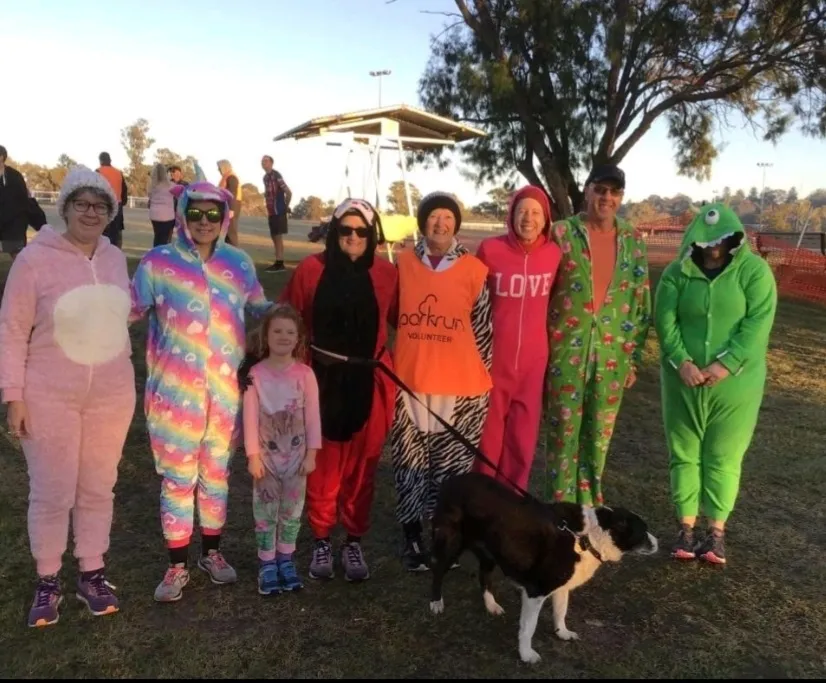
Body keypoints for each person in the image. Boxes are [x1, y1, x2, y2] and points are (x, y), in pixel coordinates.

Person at [0, 165, 136, 627]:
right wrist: (13, 395)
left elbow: (122, 316)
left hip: (111, 396)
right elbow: (12, 330)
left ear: (110, 211)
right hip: (48, 394)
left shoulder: (116, 259)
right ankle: (47, 579)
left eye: (100, 206)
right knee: (54, 490)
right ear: (65, 208)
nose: (91, 213)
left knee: (98, 486)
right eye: (82, 204)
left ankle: (92, 572)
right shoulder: (35, 259)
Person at [130, 180, 273, 603]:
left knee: (216, 476)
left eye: (214, 214)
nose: (205, 221)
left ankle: (212, 553)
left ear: (225, 217)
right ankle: (176, 565)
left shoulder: (239, 264)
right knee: (177, 480)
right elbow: (128, 311)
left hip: (226, 395)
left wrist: (296, 321)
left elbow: (262, 309)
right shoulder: (157, 263)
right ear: (183, 214)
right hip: (174, 397)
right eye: (197, 213)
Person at [280, 198, 397, 582]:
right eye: (345, 230)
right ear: (334, 232)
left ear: (372, 234)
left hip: (369, 382)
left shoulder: (387, 274)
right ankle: (322, 539)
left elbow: (404, 320)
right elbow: (286, 319)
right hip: (322, 381)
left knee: (362, 467)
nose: (353, 237)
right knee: (324, 465)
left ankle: (354, 540)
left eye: (361, 231)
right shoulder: (311, 269)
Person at [655, 203, 778, 565]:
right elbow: (665, 319)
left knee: (723, 455)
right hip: (683, 382)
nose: (713, 246)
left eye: (722, 238)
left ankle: (716, 532)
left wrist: (726, 364)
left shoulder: (754, 273)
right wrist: (682, 362)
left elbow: (757, 323)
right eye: (706, 239)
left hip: (735, 387)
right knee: (684, 452)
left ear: (735, 236)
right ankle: (686, 528)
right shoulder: (677, 273)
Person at [390, 191, 493, 572]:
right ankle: (412, 535)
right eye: (433, 216)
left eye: (448, 218)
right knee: (409, 462)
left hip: (459, 385)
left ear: (456, 225)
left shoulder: (474, 270)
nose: (441, 223)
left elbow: (483, 331)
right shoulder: (403, 263)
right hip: (410, 381)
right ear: (422, 222)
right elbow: (391, 315)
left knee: (449, 470)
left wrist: (482, 380)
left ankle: (443, 535)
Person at [544, 164, 651, 506]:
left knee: (598, 438)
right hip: (565, 354)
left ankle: (590, 508)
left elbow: (640, 303)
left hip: (612, 359)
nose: (606, 197)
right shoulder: (560, 234)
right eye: (600, 189)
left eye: (614, 192)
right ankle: (562, 510)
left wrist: (633, 359)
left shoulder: (633, 242)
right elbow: (539, 294)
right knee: (563, 435)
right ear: (587, 191)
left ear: (621, 197)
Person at [474, 185, 561, 493]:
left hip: (533, 362)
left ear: (546, 219)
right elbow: (472, 298)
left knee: (522, 439)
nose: (528, 218)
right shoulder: (490, 250)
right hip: (494, 358)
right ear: (511, 214)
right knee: (489, 437)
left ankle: (511, 500)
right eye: (522, 211)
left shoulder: (554, 254)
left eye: (536, 212)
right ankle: (482, 498)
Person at [239, 304, 321, 594]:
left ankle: (286, 559)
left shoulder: (305, 374)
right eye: (277, 331)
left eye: (290, 332)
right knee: (265, 511)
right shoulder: (255, 375)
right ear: (267, 335)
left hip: (298, 458)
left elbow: (312, 416)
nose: (284, 336)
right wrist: (253, 456)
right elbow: (249, 416)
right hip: (266, 459)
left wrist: (311, 454)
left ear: (298, 337)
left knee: (292, 511)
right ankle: (267, 563)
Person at [262, 155, 292, 273]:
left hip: (278, 210)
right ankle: (278, 262)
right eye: (262, 161)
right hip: (271, 211)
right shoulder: (265, 177)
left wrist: (285, 206)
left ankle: (280, 263)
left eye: (266, 161)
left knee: (278, 236)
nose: (263, 163)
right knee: (274, 236)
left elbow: (288, 192)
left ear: (271, 163)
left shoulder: (276, 175)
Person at [0, 145, 31, 259]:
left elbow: (23, 200)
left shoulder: (14, 176)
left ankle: (23, 274)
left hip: (13, 224)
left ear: (1, 157)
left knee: (18, 256)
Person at [96, 152, 128, 249]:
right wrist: (123, 202)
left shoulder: (98, 172)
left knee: (102, 233)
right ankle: (115, 253)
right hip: (117, 206)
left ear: (100, 161)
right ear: (110, 160)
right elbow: (124, 189)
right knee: (116, 233)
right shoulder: (118, 173)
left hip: (103, 206)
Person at [148, 162, 176, 247]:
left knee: (157, 236)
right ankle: (162, 257)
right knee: (165, 239)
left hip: (154, 215)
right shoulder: (171, 186)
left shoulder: (151, 186)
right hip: (167, 216)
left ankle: (156, 254)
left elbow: (150, 197)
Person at [217, 159, 242, 247]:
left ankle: (235, 255)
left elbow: (232, 193)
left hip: (232, 207)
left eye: (219, 168)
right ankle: (229, 253)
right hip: (228, 206)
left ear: (224, 167)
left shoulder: (232, 177)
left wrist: (231, 209)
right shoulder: (227, 177)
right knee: (227, 232)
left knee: (231, 232)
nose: (218, 170)